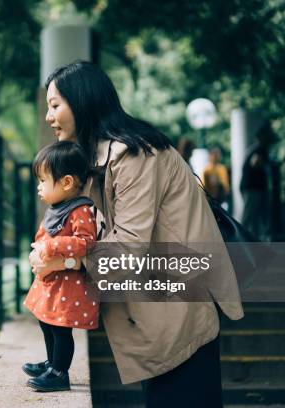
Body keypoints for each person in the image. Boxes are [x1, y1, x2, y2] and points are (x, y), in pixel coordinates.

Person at [30, 61, 244, 408]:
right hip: (156, 310)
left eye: (55, 105)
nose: (48, 117)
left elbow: (129, 244)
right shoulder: (99, 161)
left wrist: (64, 258)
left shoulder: (135, 155)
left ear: (82, 102)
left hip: (179, 308)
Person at [22, 141, 99, 392]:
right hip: (52, 283)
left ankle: (59, 372)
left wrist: (52, 247)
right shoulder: (58, 208)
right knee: (46, 322)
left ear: (66, 182)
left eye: (43, 180)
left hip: (67, 286)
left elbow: (86, 242)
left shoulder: (80, 210)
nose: (38, 187)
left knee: (61, 328)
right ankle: (51, 362)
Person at [240, 121, 274, 241]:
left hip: (253, 187)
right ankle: (239, 243)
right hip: (253, 188)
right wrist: (267, 164)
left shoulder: (255, 148)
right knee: (249, 218)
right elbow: (255, 163)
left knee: (253, 219)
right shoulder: (259, 149)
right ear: (263, 136)